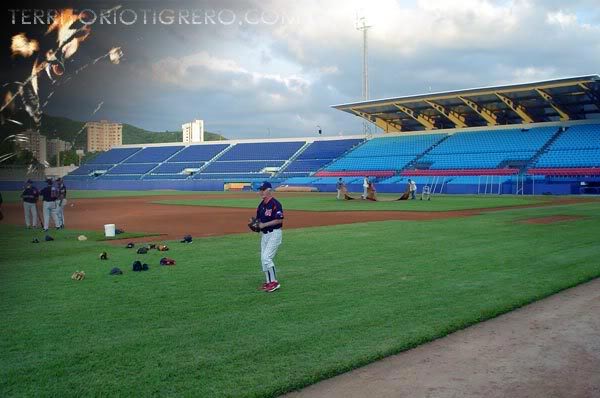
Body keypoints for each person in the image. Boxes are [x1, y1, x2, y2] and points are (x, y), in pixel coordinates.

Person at [255, 181, 284, 293]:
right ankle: (268, 282)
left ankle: (274, 282)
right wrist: (256, 226)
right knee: (263, 259)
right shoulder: (261, 205)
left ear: (269, 190)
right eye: (260, 190)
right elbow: (259, 221)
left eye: (263, 189)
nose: (261, 192)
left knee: (267, 257)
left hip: (274, 234)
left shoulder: (275, 204)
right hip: (265, 235)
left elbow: (279, 219)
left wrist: (264, 225)